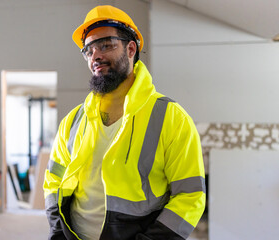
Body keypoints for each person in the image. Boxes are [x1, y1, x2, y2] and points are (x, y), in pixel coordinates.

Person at [43, 5, 206, 240]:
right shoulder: (73, 120)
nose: (95, 56)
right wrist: (58, 231)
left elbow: (191, 196)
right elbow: (53, 180)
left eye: (106, 45)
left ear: (131, 49)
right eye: (88, 50)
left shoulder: (172, 117)